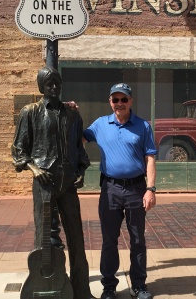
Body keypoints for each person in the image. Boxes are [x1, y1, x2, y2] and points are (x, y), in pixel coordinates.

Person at [11, 66, 95, 299]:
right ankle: (45, 287)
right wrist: (34, 168)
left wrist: (81, 170)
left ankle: (82, 291)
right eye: (49, 83)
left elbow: (79, 148)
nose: (54, 87)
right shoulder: (31, 112)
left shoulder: (72, 114)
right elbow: (19, 149)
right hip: (44, 183)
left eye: (57, 83)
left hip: (67, 183)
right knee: (44, 239)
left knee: (77, 237)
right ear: (41, 87)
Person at [83, 83, 157, 299]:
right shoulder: (100, 124)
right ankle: (108, 286)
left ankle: (139, 285)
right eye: (115, 100)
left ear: (131, 101)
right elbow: (79, 138)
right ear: (110, 102)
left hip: (136, 189)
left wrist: (150, 189)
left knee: (137, 239)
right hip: (110, 190)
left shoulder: (142, 126)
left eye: (124, 99)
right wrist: (69, 112)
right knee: (108, 240)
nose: (119, 104)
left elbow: (150, 158)